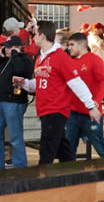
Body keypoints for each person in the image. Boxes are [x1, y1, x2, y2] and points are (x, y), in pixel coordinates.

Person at [62, 33, 104, 159]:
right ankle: (69, 175)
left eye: (71, 44)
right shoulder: (69, 62)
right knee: (69, 147)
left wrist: (96, 102)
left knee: (100, 146)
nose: (69, 48)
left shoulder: (95, 60)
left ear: (81, 44)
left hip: (91, 113)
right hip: (73, 112)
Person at [0, 33, 34, 169]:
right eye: (5, 47)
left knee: (15, 136)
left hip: (14, 102)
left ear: (18, 47)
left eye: (8, 47)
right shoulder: (3, 59)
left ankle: (19, 166)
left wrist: (15, 54)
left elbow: (21, 70)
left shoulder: (24, 59)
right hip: (0, 101)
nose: (6, 49)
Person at [33, 21, 77, 166]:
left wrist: (91, 106)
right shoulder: (40, 58)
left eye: (35, 34)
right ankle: (73, 172)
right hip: (45, 108)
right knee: (62, 146)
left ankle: (42, 179)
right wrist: (25, 83)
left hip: (56, 109)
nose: (33, 37)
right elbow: (40, 82)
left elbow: (76, 83)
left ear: (42, 36)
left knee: (47, 148)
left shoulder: (60, 57)